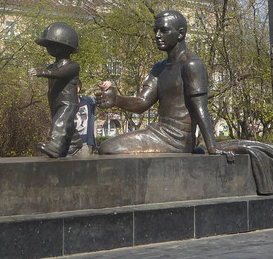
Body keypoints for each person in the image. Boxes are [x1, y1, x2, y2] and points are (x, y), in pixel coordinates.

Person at [95, 10, 218, 155]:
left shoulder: (191, 65)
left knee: (108, 148)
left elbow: (200, 108)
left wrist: (212, 148)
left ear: (180, 33)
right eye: (156, 31)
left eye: (164, 30)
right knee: (106, 147)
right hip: (160, 132)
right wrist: (116, 99)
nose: (157, 35)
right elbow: (142, 103)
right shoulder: (159, 68)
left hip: (178, 140)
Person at [33, 22, 83, 158]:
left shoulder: (73, 66)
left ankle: (54, 146)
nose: (48, 48)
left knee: (59, 123)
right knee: (66, 125)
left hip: (68, 103)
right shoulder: (52, 66)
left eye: (51, 45)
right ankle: (74, 142)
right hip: (55, 102)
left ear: (63, 47)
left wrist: (41, 71)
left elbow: (59, 73)